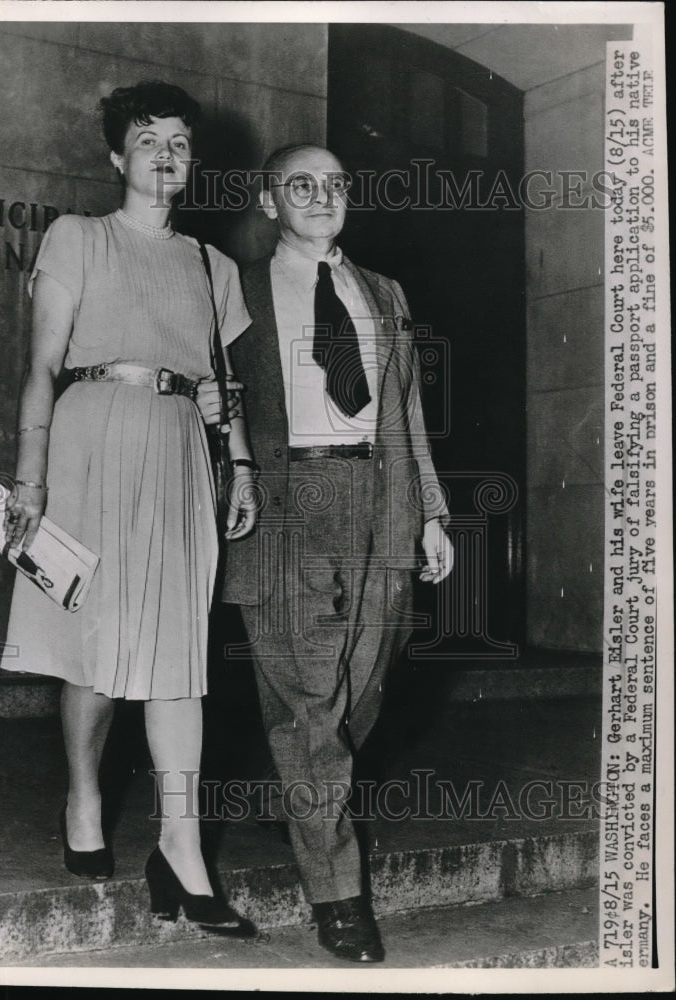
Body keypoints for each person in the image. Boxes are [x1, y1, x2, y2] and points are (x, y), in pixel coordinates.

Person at [0, 81, 257, 936]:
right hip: (89, 436)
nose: (166, 155)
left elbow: (224, 387)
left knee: (179, 651)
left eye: (180, 142)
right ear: (118, 157)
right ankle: (83, 791)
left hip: (181, 449)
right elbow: (42, 365)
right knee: (93, 645)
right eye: (148, 140)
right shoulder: (79, 238)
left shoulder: (212, 266)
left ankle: (180, 848)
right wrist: (30, 479)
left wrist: (243, 467)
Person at [222, 144, 454, 962]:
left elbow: (406, 410)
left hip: (379, 496)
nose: (320, 198)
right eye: (300, 186)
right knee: (309, 697)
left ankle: (289, 785)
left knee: (363, 681)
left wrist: (429, 510)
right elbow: (215, 400)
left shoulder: (381, 291)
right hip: (290, 502)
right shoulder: (235, 286)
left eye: (333, 185)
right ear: (267, 199)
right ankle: (338, 895)